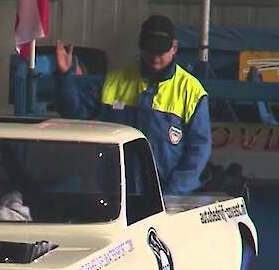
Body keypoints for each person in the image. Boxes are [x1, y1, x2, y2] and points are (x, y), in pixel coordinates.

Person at [53, 15, 211, 195]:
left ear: (174, 48)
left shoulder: (191, 91)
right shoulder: (114, 80)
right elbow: (75, 111)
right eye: (149, 50)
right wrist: (65, 76)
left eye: (160, 51)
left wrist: (170, 195)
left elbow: (198, 151)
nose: (155, 57)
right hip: (116, 193)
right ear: (141, 47)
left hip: (168, 197)